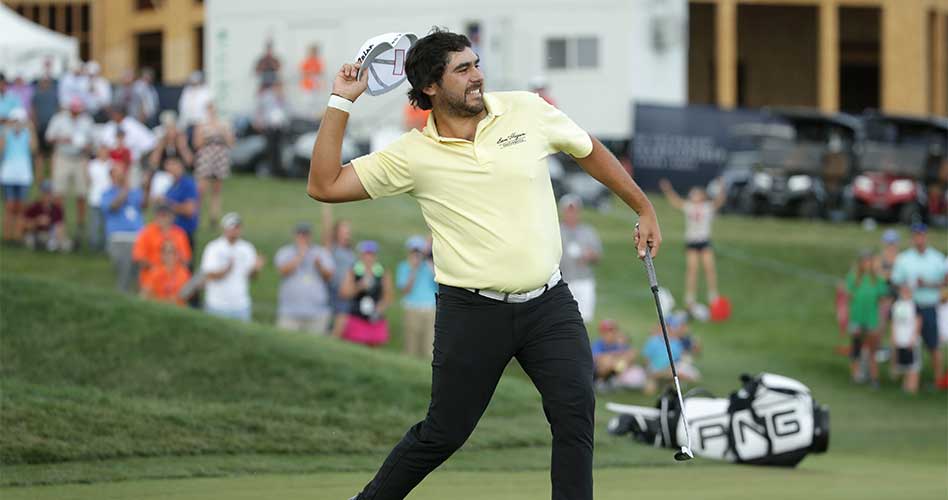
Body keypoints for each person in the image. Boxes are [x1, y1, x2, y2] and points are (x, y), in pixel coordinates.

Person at [306, 28, 661, 500]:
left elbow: (587, 149)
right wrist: (340, 102)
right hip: (472, 313)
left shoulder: (527, 109)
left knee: (575, 413)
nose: (478, 76)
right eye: (463, 69)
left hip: (548, 304)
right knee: (444, 432)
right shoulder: (413, 155)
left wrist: (643, 207)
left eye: (476, 64)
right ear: (431, 86)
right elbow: (325, 184)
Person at [891, 223, 948, 389]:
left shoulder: (937, 258)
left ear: (926, 237)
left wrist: (928, 284)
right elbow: (895, 282)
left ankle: (938, 381)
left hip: (929, 305)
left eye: (921, 235)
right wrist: (907, 287)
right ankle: (905, 379)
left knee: (933, 344)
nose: (919, 239)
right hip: (910, 307)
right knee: (906, 343)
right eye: (916, 236)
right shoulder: (904, 259)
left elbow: (944, 282)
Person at [659, 178, 726, 307]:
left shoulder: (707, 207)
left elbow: (720, 201)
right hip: (691, 242)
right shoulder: (689, 207)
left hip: (704, 242)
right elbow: (675, 201)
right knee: (692, 270)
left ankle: (713, 295)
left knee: (709, 268)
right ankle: (690, 297)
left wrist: (722, 187)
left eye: (696, 193)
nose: (693, 195)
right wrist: (667, 190)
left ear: (702, 196)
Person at [46, 98, 94, 241]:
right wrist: (63, 139)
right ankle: (60, 226)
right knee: (59, 193)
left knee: (82, 193)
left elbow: (92, 142)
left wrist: (86, 146)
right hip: (63, 157)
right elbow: (49, 137)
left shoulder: (87, 121)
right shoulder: (59, 119)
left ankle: (80, 226)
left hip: (80, 158)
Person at [200, 212, 264, 321]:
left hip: (240, 304)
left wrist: (256, 269)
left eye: (238, 227)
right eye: (232, 227)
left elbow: (252, 277)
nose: (235, 230)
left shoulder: (247, 248)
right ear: (224, 228)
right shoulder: (213, 248)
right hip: (217, 304)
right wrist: (226, 270)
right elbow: (209, 274)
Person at [274, 222, 335, 334]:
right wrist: (300, 255)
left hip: (317, 312)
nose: (303, 237)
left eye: (306, 234)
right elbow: (283, 271)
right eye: (300, 234)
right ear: (295, 235)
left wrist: (319, 265)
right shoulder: (285, 252)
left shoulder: (320, 252)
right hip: (290, 311)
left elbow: (329, 276)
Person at [844, 249, 889, 388]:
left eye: (869, 261)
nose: (866, 264)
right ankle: (855, 375)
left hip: (871, 318)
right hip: (857, 317)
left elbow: (883, 298)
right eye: (864, 261)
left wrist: (881, 319)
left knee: (872, 349)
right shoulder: (853, 277)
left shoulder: (878, 279)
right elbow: (848, 296)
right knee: (856, 347)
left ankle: (874, 377)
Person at [339, 240, 394, 347]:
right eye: (366, 254)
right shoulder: (353, 270)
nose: (369, 257)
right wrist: (359, 287)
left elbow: (388, 295)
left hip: (375, 319)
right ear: (361, 255)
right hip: (357, 317)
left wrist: (381, 307)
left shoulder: (382, 272)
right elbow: (344, 293)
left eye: (371, 254)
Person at [100, 164, 145, 292]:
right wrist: (125, 189)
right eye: (118, 173)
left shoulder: (135, 192)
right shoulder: (107, 193)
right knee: (123, 271)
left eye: (122, 173)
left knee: (140, 274)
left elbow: (144, 204)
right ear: (112, 176)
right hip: (119, 239)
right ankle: (122, 298)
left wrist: (146, 184)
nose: (122, 175)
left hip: (138, 237)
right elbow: (113, 206)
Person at [558, 193, 602, 323]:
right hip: (563, 281)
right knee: (564, 319)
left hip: (584, 280)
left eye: (574, 210)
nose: (571, 214)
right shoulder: (557, 231)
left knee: (584, 320)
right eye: (568, 210)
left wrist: (590, 255)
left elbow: (598, 256)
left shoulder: (588, 232)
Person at [396, 235, 438, 359]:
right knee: (411, 346)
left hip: (430, 309)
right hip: (412, 308)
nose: (416, 254)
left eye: (418, 251)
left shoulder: (430, 266)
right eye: (413, 251)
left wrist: (429, 263)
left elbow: (439, 284)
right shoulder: (404, 266)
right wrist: (414, 270)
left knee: (429, 348)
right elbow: (405, 290)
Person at [194, 102, 235, 227]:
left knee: (216, 190)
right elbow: (197, 143)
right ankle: (196, 215)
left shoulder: (224, 125)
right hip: (206, 156)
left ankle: (214, 217)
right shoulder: (201, 125)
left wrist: (223, 132)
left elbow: (231, 143)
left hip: (220, 157)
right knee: (201, 189)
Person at [0, 108, 38, 243]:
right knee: (9, 206)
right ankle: (7, 235)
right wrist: (5, 130)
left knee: (21, 207)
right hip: (8, 175)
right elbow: (1, 149)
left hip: (23, 176)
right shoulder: (5, 133)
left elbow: (34, 149)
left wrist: (31, 129)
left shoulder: (27, 133)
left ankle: (17, 235)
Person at [133, 202, 192, 287]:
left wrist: (172, 268)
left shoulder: (180, 234)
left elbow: (186, 260)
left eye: (164, 215)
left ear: (172, 217)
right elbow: (139, 258)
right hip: (152, 276)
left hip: (175, 277)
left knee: (184, 277)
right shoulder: (147, 232)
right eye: (158, 215)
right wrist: (159, 269)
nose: (161, 218)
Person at [322, 205, 357, 338]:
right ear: (337, 232)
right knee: (326, 328)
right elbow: (326, 228)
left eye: (348, 230)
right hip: (331, 291)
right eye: (344, 229)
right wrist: (327, 207)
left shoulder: (351, 252)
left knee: (339, 330)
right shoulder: (332, 247)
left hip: (345, 294)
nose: (347, 232)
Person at [641, 315, 699, 395]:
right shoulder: (653, 341)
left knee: (685, 373)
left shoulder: (676, 343)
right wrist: (649, 370)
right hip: (654, 369)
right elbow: (647, 359)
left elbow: (678, 358)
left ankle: (667, 383)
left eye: (670, 328)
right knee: (649, 390)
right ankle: (658, 380)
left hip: (669, 369)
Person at [156, 156, 199, 258]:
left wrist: (167, 204)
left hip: (185, 232)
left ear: (180, 166)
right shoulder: (170, 187)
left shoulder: (187, 184)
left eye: (172, 164)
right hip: (171, 235)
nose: (169, 168)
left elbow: (189, 210)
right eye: (167, 165)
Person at [591, 319, 644, 391]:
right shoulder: (598, 344)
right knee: (607, 362)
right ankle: (600, 382)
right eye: (607, 332)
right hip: (597, 372)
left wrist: (621, 348)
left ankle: (613, 380)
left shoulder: (618, 343)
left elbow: (632, 354)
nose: (611, 334)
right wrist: (615, 357)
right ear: (602, 333)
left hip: (615, 367)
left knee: (624, 361)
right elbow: (596, 357)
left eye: (613, 331)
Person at [891, 285, 922, 394]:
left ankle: (913, 386)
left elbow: (918, 322)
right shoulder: (896, 305)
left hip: (910, 339)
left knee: (913, 364)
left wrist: (913, 338)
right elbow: (894, 323)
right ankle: (905, 385)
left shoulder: (914, 306)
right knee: (904, 363)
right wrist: (893, 336)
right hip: (900, 339)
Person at [140, 240, 192, 306]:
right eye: (165, 252)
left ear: (177, 255)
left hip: (177, 311)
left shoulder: (183, 273)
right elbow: (144, 294)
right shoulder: (155, 272)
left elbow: (183, 297)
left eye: (171, 252)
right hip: (158, 309)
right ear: (161, 255)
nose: (169, 255)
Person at [23, 180, 70, 252]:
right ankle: (46, 244)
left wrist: (54, 226)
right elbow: (24, 225)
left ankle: (55, 244)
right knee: (31, 238)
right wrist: (37, 221)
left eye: (49, 193)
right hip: (35, 233)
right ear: (41, 193)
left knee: (59, 235)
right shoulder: (34, 206)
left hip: (50, 234)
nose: (47, 195)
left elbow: (61, 225)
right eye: (45, 193)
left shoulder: (57, 208)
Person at [31, 72, 60, 183]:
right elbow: (33, 109)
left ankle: (52, 175)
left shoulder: (53, 94)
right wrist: (35, 123)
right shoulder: (36, 94)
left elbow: (57, 108)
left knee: (53, 152)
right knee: (40, 153)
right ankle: (40, 177)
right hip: (40, 126)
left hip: (51, 127)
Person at [254, 80, 289, 174]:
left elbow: (287, 111)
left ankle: (278, 168)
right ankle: (270, 168)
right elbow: (260, 109)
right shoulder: (266, 97)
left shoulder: (283, 98)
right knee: (270, 148)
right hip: (269, 126)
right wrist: (258, 121)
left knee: (279, 148)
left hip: (280, 127)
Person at [85, 146, 114, 251]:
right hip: (95, 199)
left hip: (109, 200)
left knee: (107, 225)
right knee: (95, 224)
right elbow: (88, 180)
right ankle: (94, 245)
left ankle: (107, 246)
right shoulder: (92, 165)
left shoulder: (112, 164)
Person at [299, 44, 325, 112]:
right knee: (307, 105)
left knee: (317, 105)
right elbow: (303, 72)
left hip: (316, 87)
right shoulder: (306, 61)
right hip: (307, 87)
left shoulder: (318, 62)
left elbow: (321, 72)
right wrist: (310, 72)